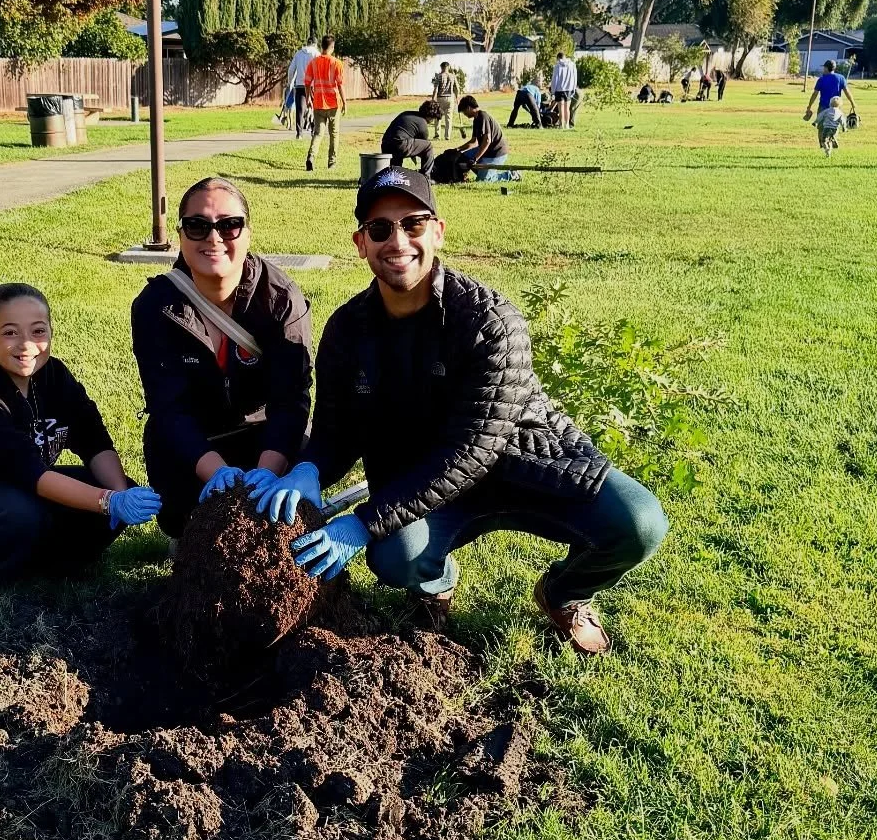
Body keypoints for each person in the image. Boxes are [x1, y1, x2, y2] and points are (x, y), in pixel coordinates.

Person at [243, 168, 668, 654]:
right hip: (429, 488)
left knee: (639, 522)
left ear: (438, 231)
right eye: (380, 229)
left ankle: (565, 593)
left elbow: (471, 451)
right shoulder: (347, 330)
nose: (397, 240)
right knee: (396, 555)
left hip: (526, 468)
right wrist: (308, 469)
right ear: (361, 243)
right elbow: (339, 427)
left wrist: (360, 522)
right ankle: (435, 580)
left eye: (414, 224)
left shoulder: (489, 321)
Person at [0, 283, 160, 602]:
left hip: (24, 492)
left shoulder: (55, 376)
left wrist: (120, 492)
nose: (27, 345)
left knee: (109, 489)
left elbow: (94, 441)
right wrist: (108, 502)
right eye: (10, 333)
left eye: (38, 331)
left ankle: (49, 567)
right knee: (19, 511)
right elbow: (31, 474)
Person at [131, 176, 313, 537]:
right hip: (195, 440)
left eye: (229, 225)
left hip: (264, 433)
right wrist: (215, 471)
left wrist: (266, 472)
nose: (214, 238)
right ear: (181, 235)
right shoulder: (154, 306)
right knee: (187, 528)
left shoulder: (281, 300)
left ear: (247, 232)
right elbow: (168, 407)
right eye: (197, 226)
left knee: (276, 524)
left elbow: (290, 400)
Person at [304, 34, 346, 171]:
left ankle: (311, 156)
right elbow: (340, 85)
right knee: (334, 134)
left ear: (322, 46)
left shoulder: (313, 63)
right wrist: (345, 102)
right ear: (332, 47)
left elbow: (307, 83)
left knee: (318, 133)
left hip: (318, 103)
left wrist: (308, 98)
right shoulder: (337, 63)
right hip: (333, 104)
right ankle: (332, 163)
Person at [803, 59, 857, 150]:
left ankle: (822, 144)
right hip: (836, 107)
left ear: (827, 68)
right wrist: (852, 103)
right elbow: (847, 92)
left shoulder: (822, 79)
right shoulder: (841, 78)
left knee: (821, 126)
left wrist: (809, 106)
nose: (823, 69)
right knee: (834, 125)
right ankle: (832, 139)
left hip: (823, 107)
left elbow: (815, 94)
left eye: (824, 67)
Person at [380, 101, 439, 170]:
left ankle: (393, 173)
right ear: (430, 116)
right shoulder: (422, 123)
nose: (432, 121)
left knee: (395, 168)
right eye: (433, 118)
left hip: (385, 145)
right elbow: (424, 148)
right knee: (428, 146)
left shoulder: (407, 113)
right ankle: (426, 177)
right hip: (399, 145)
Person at [287, 36, 318, 136]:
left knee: (300, 109)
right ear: (315, 44)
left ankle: (299, 133)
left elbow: (291, 70)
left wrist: (289, 82)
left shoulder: (298, 53)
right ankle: (313, 129)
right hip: (313, 85)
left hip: (300, 84)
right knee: (314, 107)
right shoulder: (316, 54)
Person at [428, 61, 459, 141]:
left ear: (441, 67)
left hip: (440, 98)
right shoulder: (452, 76)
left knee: (438, 117)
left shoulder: (439, 76)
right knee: (449, 118)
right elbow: (457, 88)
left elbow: (435, 89)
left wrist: (433, 100)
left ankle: (437, 135)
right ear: (448, 67)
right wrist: (457, 97)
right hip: (450, 98)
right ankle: (447, 136)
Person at [550, 50, 579, 127]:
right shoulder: (572, 65)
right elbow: (575, 77)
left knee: (561, 108)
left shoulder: (557, 66)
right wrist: (573, 87)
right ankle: (567, 125)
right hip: (569, 88)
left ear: (558, 58)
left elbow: (555, 79)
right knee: (567, 108)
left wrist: (553, 91)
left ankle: (561, 124)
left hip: (559, 89)